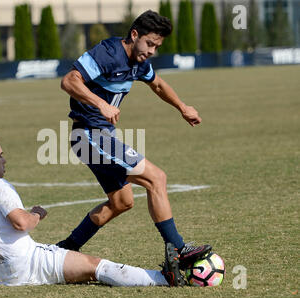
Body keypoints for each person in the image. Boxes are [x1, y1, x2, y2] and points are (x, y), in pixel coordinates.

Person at [56, 10, 211, 272]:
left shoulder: (139, 63)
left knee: (121, 202)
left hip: (100, 136)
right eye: (149, 43)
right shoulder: (108, 53)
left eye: (157, 47)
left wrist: (182, 107)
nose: (151, 51)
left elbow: (158, 85)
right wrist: (100, 103)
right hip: (89, 135)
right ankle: (178, 249)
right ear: (134, 34)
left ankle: (63, 250)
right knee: (156, 178)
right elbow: (69, 80)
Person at [0, 132, 185, 287]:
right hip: (32, 262)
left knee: (87, 272)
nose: (5, 160)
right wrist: (37, 214)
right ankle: (164, 279)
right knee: (97, 266)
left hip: (4, 277)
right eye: (1, 156)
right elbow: (21, 223)